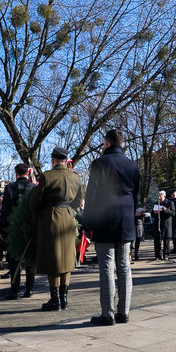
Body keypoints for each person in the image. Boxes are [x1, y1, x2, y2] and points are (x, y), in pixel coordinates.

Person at [83, 129, 141, 325]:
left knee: (106, 266)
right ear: (122, 144)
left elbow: (91, 196)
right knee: (124, 266)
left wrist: (88, 224)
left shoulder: (99, 163)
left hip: (104, 218)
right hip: (125, 219)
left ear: (106, 143)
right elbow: (136, 196)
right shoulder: (132, 165)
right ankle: (124, 312)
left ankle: (107, 314)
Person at [29, 148, 83, 310]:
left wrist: (37, 218)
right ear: (66, 161)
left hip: (50, 218)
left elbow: (34, 202)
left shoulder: (46, 176)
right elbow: (78, 202)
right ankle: (64, 298)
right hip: (67, 218)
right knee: (66, 258)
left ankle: (55, 300)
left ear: (53, 160)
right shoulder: (75, 177)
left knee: (53, 258)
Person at [2, 164, 36, 299]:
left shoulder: (9, 188)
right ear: (28, 173)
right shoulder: (33, 188)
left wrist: (3, 230)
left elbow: (5, 210)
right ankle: (29, 289)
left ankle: (14, 291)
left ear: (16, 173)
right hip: (29, 228)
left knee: (14, 260)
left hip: (13, 228)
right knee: (29, 260)